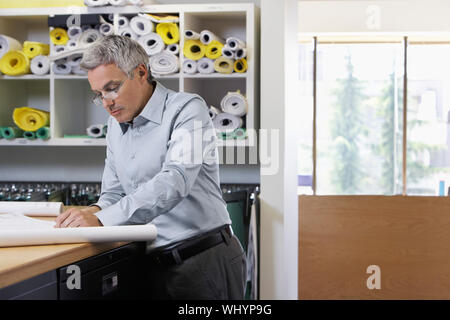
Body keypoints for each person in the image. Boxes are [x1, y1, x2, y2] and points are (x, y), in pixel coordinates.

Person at [54, 35, 246, 300]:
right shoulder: (115, 123)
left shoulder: (188, 109)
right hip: (147, 266)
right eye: (99, 95)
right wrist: (92, 211)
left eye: (112, 88)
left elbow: (175, 180)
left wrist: (101, 219)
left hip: (201, 262)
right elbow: (114, 192)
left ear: (141, 72)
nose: (107, 102)